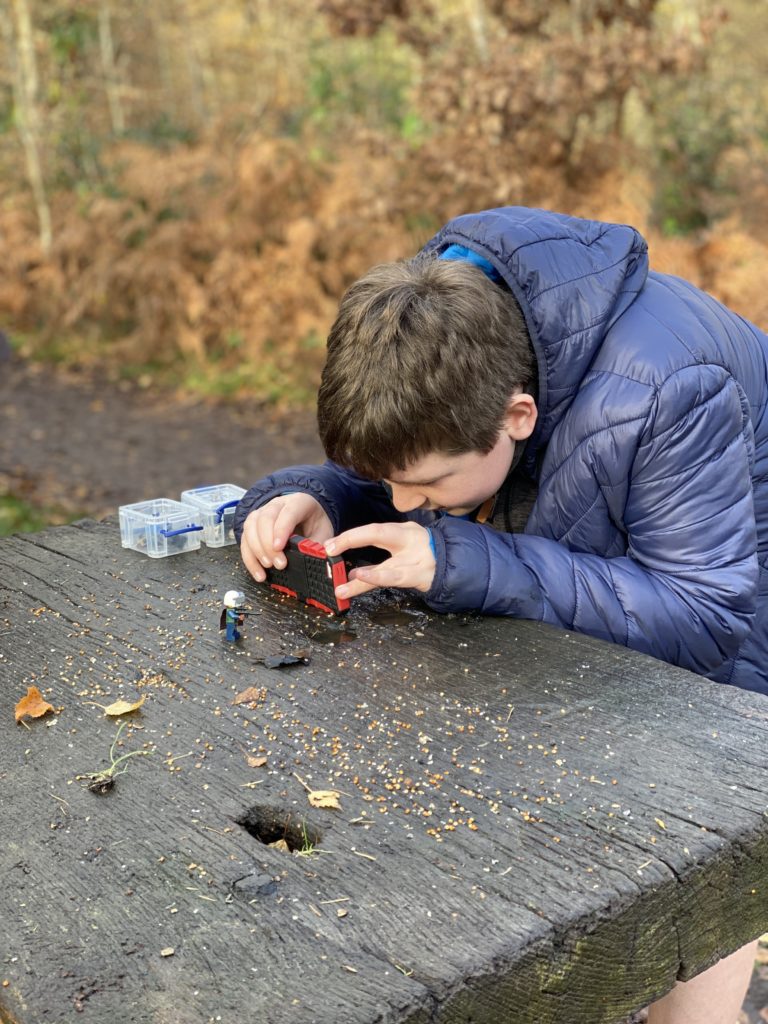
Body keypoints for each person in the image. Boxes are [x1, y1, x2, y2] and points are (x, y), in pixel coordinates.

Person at [234, 207, 766, 1020]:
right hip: (649, 591)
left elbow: (702, 616)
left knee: (702, 842)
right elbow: (407, 470)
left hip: (733, 624)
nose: (409, 506)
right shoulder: (442, 329)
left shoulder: (669, 387)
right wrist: (314, 496)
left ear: (519, 416)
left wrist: (459, 561)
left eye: (431, 490)